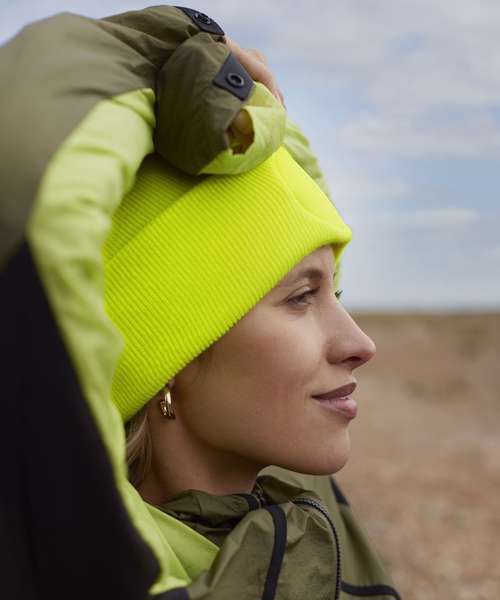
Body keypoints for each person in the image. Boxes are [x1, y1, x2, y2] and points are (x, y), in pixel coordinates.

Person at [0, 5, 401, 600]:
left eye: (333, 292)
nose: (360, 344)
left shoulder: (308, 525)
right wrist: (153, 45)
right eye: (301, 297)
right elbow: (23, 167)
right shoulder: (72, 564)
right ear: (168, 354)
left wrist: (261, 123)